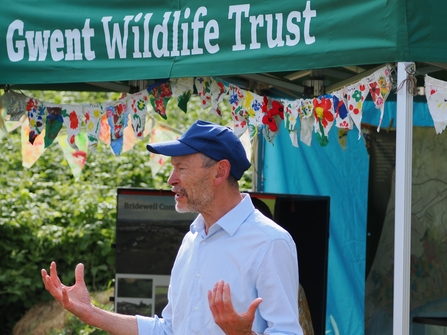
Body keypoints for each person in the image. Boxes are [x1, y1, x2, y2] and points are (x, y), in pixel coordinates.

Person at [42, 120, 303, 335]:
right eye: (172, 168)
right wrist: (91, 313)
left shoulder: (270, 242)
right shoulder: (192, 239)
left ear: (220, 172)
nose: (171, 179)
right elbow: (169, 329)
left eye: (182, 168)